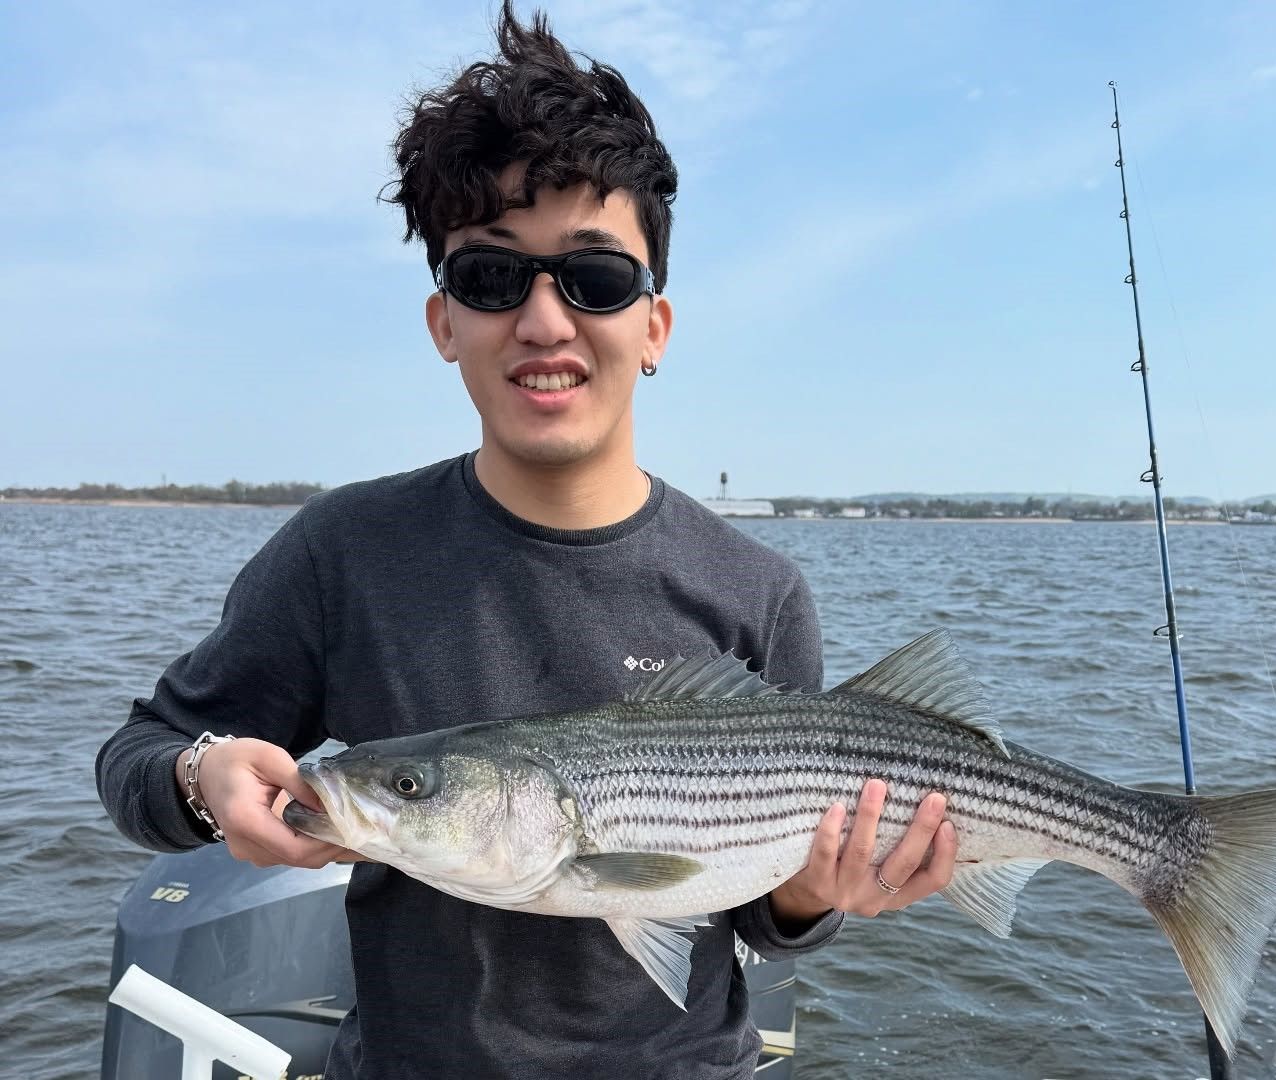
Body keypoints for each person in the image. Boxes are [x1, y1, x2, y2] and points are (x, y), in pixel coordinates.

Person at [94, 5, 959, 1077]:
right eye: (492, 278)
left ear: (655, 326)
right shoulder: (342, 553)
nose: (545, 321)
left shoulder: (759, 589)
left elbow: (764, 919)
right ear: (443, 320)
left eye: (595, 278)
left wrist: (812, 896)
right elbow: (137, 758)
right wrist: (200, 773)